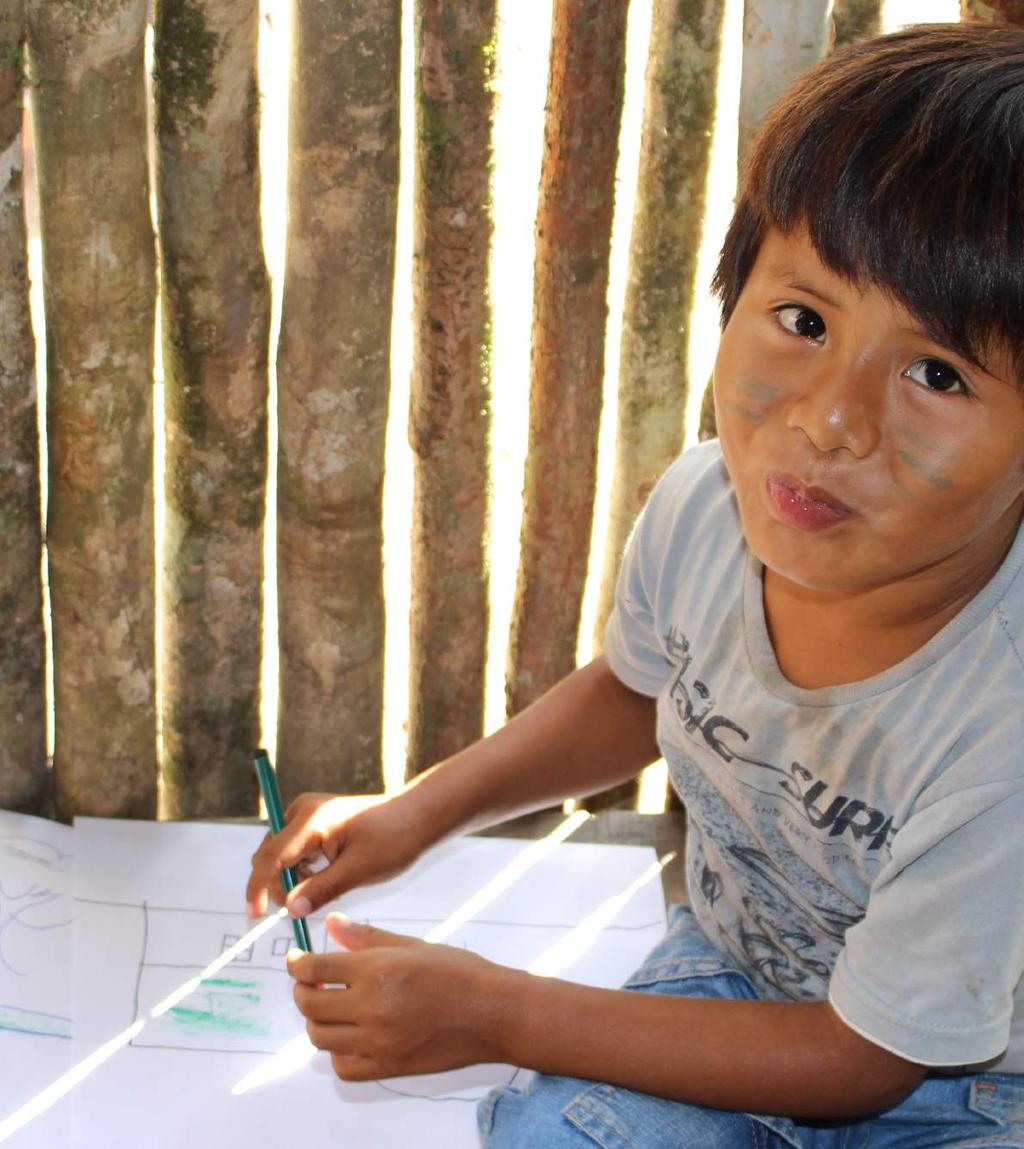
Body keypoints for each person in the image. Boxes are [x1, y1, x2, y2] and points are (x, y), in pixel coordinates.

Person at [246, 22, 1024, 1147]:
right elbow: (634, 694)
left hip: (963, 1086)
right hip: (731, 979)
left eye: (936, 372)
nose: (829, 419)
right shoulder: (708, 511)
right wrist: (415, 816)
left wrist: (501, 1011)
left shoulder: (999, 724)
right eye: (802, 319)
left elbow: (867, 1058)